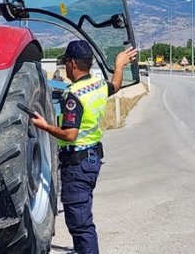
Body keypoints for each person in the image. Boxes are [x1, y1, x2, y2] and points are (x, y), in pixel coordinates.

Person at [30, 40, 137, 254]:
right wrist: (119, 66)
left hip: (77, 164)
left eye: (65, 64)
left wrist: (44, 126)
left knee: (80, 223)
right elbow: (115, 85)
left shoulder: (74, 95)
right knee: (82, 216)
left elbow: (70, 135)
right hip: (91, 159)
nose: (64, 68)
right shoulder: (97, 85)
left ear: (72, 63)